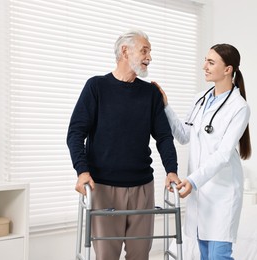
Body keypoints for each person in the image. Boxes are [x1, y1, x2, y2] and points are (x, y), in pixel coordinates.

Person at [66, 29, 181, 260]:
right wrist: (82, 171)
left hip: (142, 187)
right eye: (145, 50)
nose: (149, 57)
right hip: (104, 187)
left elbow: (164, 137)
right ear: (125, 51)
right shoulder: (96, 87)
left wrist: (172, 170)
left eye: (150, 51)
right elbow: (76, 133)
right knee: (106, 256)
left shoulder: (150, 93)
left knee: (140, 255)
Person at [154, 43, 251, 260]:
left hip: (222, 191)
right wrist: (166, 106)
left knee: (219, 255)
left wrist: (193, 180)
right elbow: (183, 135)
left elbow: (224, 154)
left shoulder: (239, 107)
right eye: (205, 60)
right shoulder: (201, 98)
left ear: (228, 69)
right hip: (200, 191)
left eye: (210, 62)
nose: (204, 66)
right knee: (205, 254)